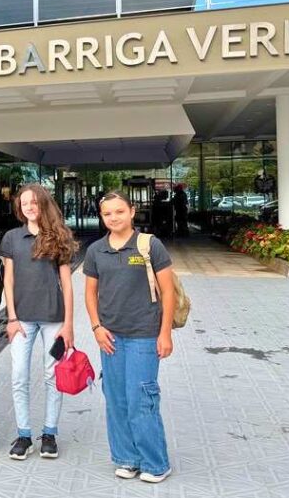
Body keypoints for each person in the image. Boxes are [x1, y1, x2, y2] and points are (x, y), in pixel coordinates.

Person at [84, 191, 176, 484]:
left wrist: (165, 334)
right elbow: (90, 293)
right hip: (110, 337)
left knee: (142, 399)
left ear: (132, 212)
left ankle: (155, 462)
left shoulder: (150, 246)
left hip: (144, 336)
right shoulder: (96, 250)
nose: (114, 218)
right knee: (116, 400)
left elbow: (168, 292)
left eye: (119, 212)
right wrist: (97, 328)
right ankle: (126, 458)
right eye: (107, 213)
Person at [0, 185, 77, 460]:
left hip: (54, 319)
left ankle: (49, 433)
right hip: (21, 320)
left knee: (52, 376)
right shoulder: (11, 237)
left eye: (34, 202)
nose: (29, 207)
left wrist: (69, 325)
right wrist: (10, 317)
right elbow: (8, 280)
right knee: (19, 375)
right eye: (24, 203)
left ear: (43, 204)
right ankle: (23, 434)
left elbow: (67, 285)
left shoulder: (58, 236)